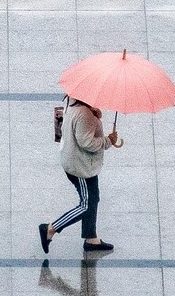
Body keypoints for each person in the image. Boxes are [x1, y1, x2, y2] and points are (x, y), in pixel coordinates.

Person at [39, 98, 121, 254]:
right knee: (86, 205)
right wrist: (108, 141)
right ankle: (50, 229)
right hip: (80, 166)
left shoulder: (74, 103)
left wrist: (94, 114)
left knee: (93, 197)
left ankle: (91, 238)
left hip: (80, 161)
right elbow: (87, 143)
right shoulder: (85, 114)